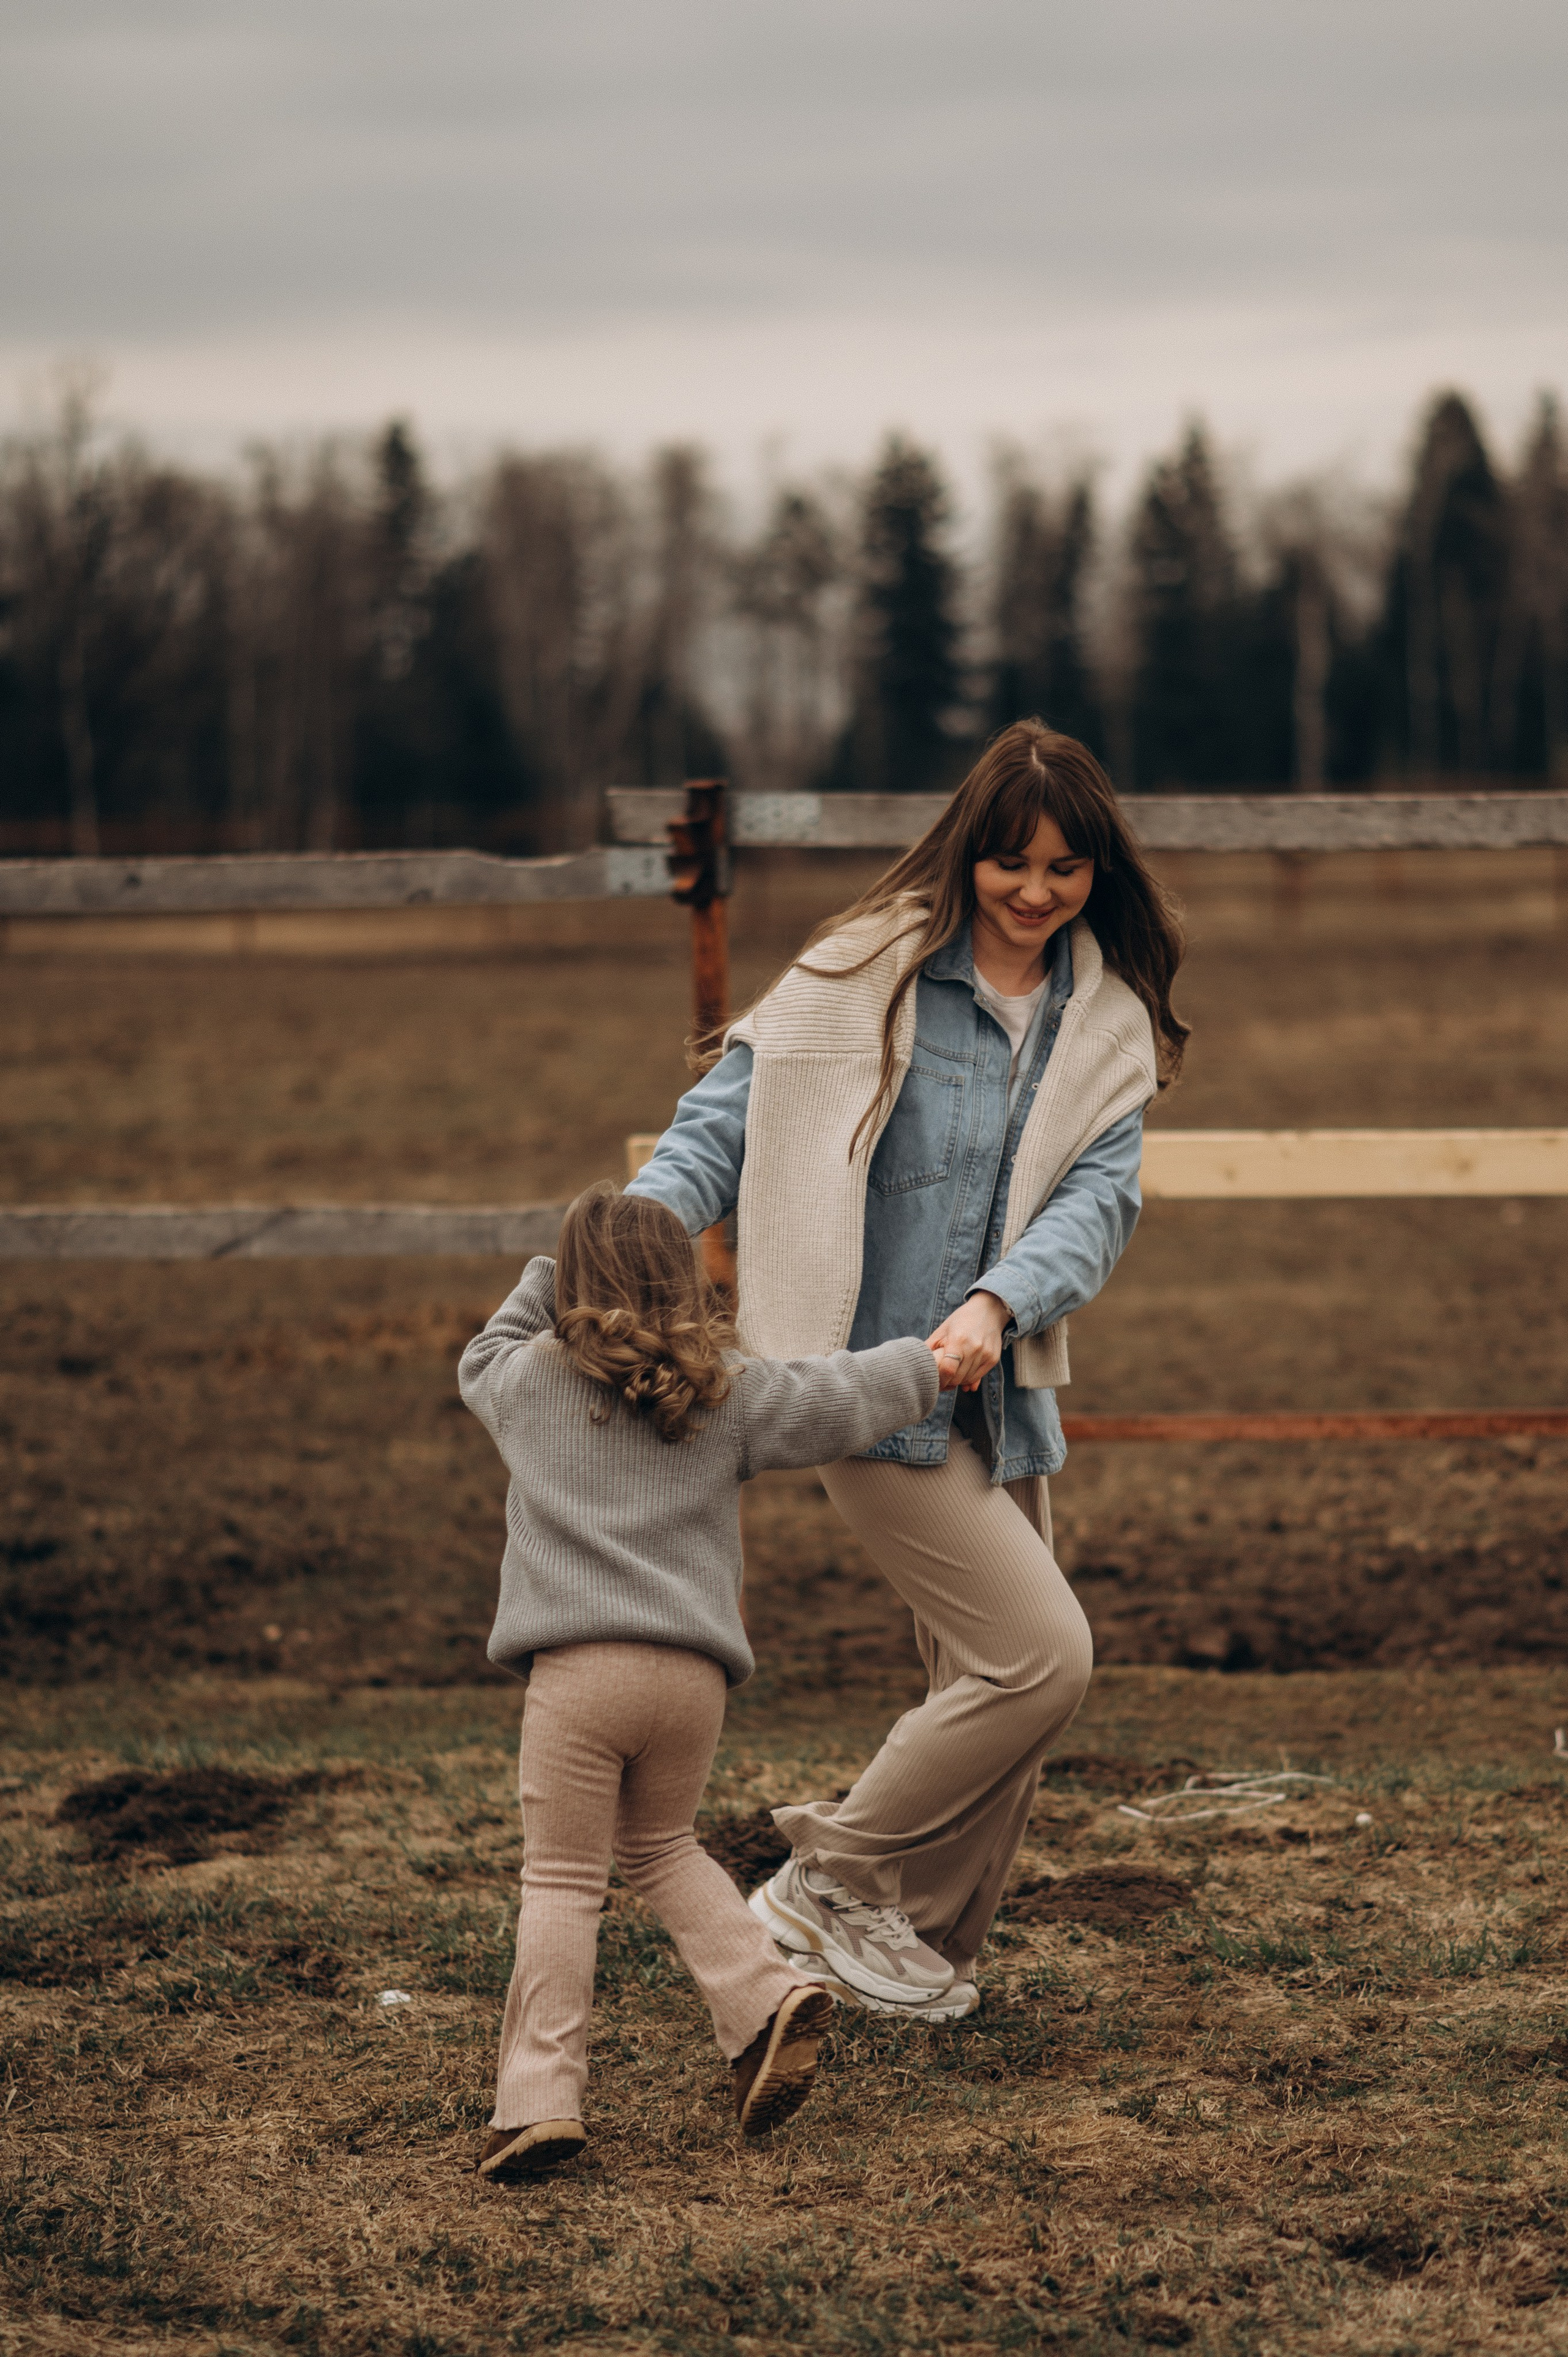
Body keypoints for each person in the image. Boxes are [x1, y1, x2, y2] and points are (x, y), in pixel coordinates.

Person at [627, 721, 1188, 2022]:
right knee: (1039, 1658)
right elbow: (723, 1127)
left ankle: (903, 1955)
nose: (1035, 891)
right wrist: (629, 1243)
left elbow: (1096, 1203)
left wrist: (999, 1300)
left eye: (1064, 867)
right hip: (854, 1380)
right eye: (1009, 863)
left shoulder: (1099, 1020)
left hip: (997, 1388)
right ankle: (828, 1881)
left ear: (1097, 870)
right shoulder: (861, 973)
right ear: (967, 856)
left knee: (982, 1687)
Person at [458, 1182, 943, 2181]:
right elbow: (837, 1397)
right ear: (685, 1281)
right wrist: (925, 1367)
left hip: (580, 1673)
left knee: (560, 1878)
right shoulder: (724, 1389)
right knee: (664, 1847)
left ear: (571, 1288)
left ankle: (539, 2101)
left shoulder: (523, 1379)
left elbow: (487, 1344)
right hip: (691, 1681)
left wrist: (561, 1267)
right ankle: (766, 1999)